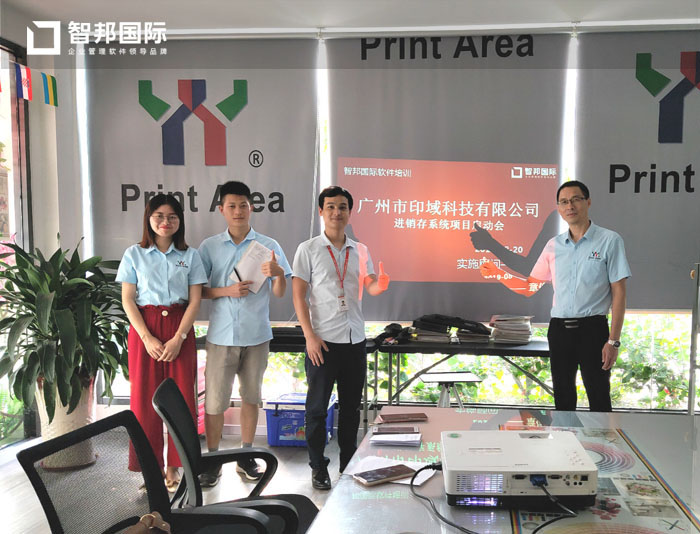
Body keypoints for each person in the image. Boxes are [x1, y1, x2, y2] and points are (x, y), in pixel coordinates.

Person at [480, 180, 631, 412]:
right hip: (560, 330)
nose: (570, 206)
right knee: (563, 398)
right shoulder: (553, 245)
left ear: (588, 202)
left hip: (593, 330)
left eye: (575, 199)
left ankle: (602, 438)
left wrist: (613, 341)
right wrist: (498, 273)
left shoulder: (610, 240)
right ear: (559, 208)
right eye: (564, 202)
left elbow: (619, 292)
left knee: (599, 396)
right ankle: (566, 437)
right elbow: (530, 287)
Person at [292, 186, 391, 490]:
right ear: (321, 211)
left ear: (350, 212)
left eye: (343, 207)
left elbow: (370, 285)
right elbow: (298, 296)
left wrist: (379, 285)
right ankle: (318, 466)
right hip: (322, 342)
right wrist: (309, 336)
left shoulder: (360, 250)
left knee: (351, 409)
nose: (337, 212)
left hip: (354, 340)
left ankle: (348, 464)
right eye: (331, 207)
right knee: (317, 409)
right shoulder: (308, 249)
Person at [197, 180, 291, 486]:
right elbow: (198, 291)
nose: (238, 211)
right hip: (221, 337)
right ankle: (213, 459)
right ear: (221, 209)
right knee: (215, 403)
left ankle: (246, 456)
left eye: (243, 205)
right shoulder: (209, 246)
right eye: (232, 206)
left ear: (251, 208)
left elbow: (280, 292)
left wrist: (278, 274)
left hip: (256, 335)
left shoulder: (268, 245)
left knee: (251, 398)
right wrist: (226, 290)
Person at [117, 194, 207, 491]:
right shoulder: (134, 254)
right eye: (159, 216)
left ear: (180, 221)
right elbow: (127, 300)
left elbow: (195, 301)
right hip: (145, 327)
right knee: (144, 399)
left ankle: (176, 467)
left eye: (172, 216)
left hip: (180, 327)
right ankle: (150, 469)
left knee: (181, 400)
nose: (165, 222)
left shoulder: (190, 256)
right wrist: (146, 337)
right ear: (149, 218)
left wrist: (179, 337)